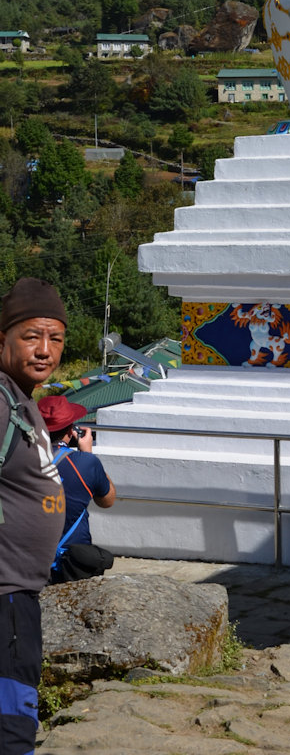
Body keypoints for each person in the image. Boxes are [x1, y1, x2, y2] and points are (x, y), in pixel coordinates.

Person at [0, 278, 67, 755]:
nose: (45, 350)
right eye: (31, 336)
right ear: (1, 340)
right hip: (4, 595)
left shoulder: (19, 396)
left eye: (56, 338)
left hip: (20, 590)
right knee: (12, 726)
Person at [38, 395, 116, 582]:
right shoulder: (85, 463)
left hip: (25, 558)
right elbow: (107, 500)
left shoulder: (17, 459)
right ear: (71, 430)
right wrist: (88, 454)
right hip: (69, 562)